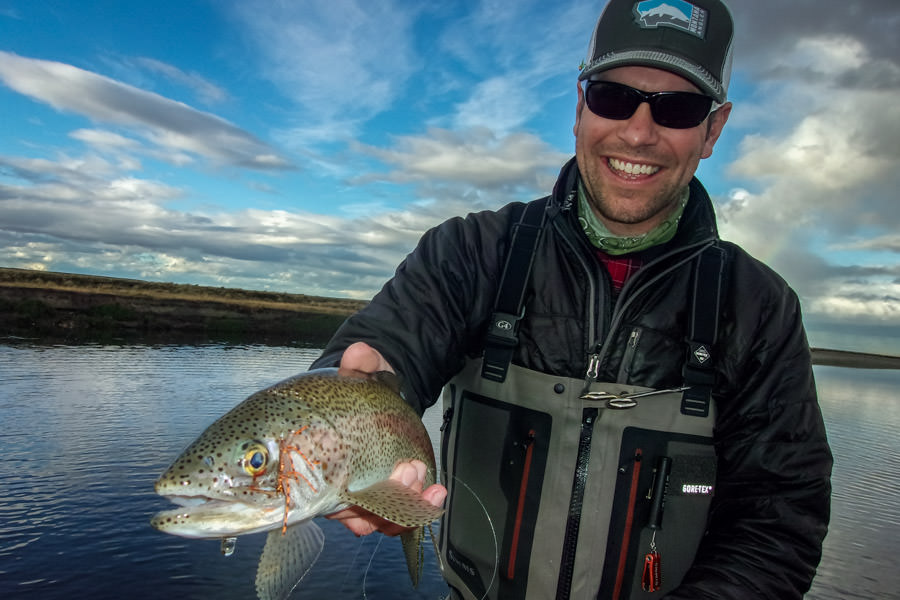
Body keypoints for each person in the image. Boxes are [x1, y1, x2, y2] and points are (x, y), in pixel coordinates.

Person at [314, 0, 832, 598]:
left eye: (680, 108)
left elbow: (780, 518)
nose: (638, 132)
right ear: (580, 106)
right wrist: (341, 405)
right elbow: (385, 348)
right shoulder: (470, 250)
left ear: (713, 130)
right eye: (613, 97)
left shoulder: (761, 307)